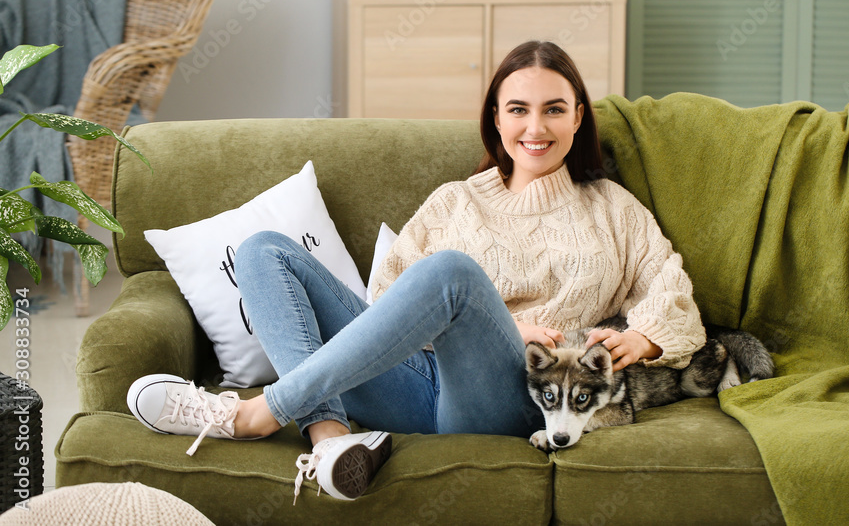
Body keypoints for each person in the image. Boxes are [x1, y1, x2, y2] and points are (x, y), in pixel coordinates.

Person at [126, 40, 707, 504]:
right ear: (496, 121)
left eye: (554, 109)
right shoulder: (454, 201)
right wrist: (481, 322)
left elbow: (669, 285)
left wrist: (643, 337)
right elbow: (386, 304)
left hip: (508, 396)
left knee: (452, 272)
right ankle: (330, 440)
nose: (536, 127)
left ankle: (256, 413)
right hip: (408, 386)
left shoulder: (611, 207)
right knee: (262, 250)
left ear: (578, 118)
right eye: (518, 109)